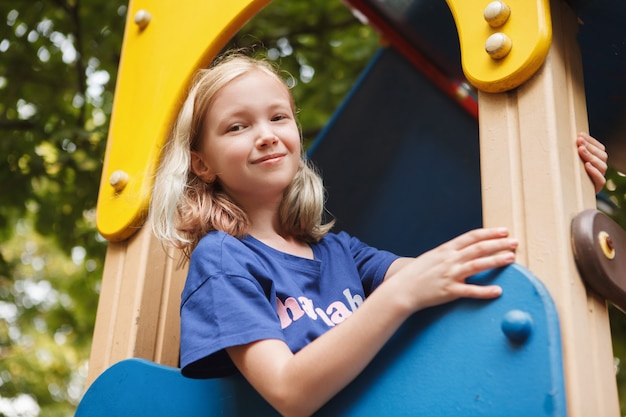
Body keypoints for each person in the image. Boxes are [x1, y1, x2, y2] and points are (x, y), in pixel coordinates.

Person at [149, 53, 608, 417]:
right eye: (237, 126)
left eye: (278, 118)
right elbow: (289, 393)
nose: (266, 135)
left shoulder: (338, 252)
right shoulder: (225, 258)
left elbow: (459, 272)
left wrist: (566, 181)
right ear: (202, 164)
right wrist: (398, 297)